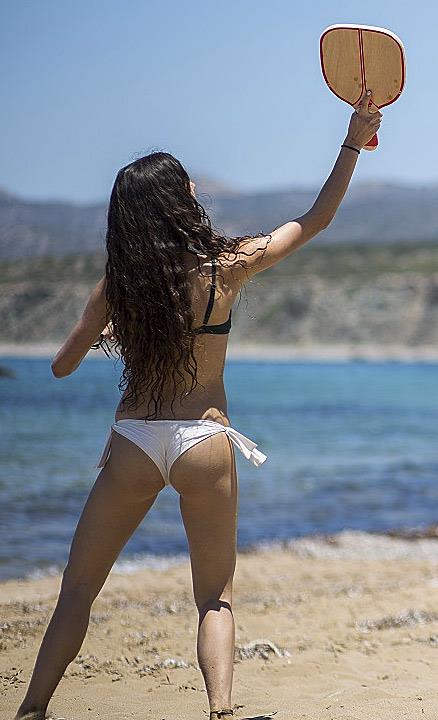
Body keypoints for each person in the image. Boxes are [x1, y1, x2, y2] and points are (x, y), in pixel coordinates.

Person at [15, 93, 382, 720]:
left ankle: (31, 710)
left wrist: (110, 328)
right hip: (205, 443)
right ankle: (220, 710)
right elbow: (315, 218)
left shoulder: (118, 285)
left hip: (134, 443)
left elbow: (60, 365)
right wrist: (353, 140)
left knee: (76, 591)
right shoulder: (223, 268)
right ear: (179, 203)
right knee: (214, 598)